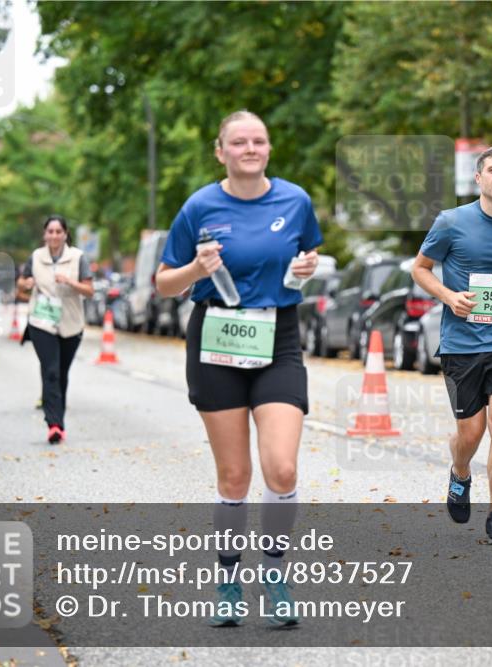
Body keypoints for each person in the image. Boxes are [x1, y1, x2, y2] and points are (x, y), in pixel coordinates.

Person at [155, 110, 322, 626]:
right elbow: (164, 283)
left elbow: (307, 256)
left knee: (283, 467)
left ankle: (274, 573)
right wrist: (195, 269)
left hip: (278, 337)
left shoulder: (295, 201)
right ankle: (228, 577)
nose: (250, 148)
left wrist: (307, 268)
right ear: (220, 150)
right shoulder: (199, 206)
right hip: (217, 339)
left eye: (259, 141)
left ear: (268, 149)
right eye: (239, 141)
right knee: (234, 475)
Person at [411, 145, 492, 545]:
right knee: (470, 433)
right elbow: (420, 269)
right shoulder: (451, 222)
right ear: (479, 178)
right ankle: (460, 472)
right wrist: (450, 297)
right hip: (462, 343)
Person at [16, 215, 94, 444]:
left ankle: (57, 417)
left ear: (65, 234)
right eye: (50, 231)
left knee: (61, 373)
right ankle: (55, 425)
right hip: (41, 321)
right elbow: (21, 283)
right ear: (44, 235)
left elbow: (90, 291)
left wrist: (70, 282)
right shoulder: (36, 257)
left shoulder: (78, 257)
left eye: (58, 231)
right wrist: (25, 284)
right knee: (50, 370)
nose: (54, 235)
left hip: (71, 323)